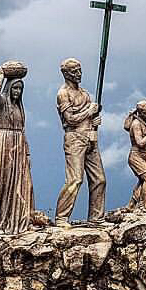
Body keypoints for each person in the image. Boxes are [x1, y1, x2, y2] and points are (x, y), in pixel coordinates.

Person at [54, 58, 106, 225]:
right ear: (66, 74)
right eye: (75, 71)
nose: (79, 74)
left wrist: (95, 119)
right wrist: (89, 111)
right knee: (75, 179)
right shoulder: (63, 94)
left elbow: (89, 118)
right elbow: (69, 120)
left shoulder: (85, 93)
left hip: (90, 138)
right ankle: (61, 217)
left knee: (99, 179)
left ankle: (96, 218)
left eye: (80, 70)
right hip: (74, 138)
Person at [0, 62, 34, 234]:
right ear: (8, 89)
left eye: (20, 89)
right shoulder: (0, 104)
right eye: (14, 89)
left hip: (19, 144)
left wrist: (27, 153)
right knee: (3, 182)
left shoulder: (18, 108)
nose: (17, 92)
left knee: (22, 184)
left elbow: (22, 130)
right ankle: (0, 222)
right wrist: (1, 75)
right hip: (4, 143)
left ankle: (20, 220)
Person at [125, 99, 146, 211]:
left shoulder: (144, 124)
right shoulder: (136, 124)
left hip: (144, 157)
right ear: (140, 113)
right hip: (136, 156)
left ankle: (131, 205)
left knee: (142, 181)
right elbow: (140, 143)